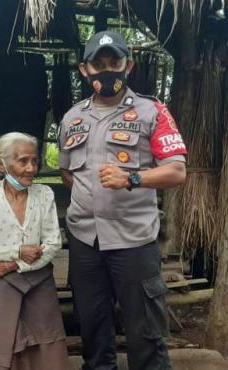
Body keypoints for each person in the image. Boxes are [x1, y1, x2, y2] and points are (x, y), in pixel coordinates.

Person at [58, 31, 188, 370]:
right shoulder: (72, 118)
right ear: (84, 70)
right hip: (85, 242)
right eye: (98, 64)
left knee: (145, 336)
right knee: (93, 332)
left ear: (127, 65)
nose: (106, 71)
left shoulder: (153, 112)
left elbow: (176, 172)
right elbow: (67, 174)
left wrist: (131, 178)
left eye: (113, 63)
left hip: (133, 241)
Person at [0, 132, 69, 370]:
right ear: (1, 164)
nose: (31, 168)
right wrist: (18, 251)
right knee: (3, 343)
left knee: (46, 340)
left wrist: (15, 264)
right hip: (2, 281)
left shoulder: (44, 194)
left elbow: (52, 243)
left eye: (34, 161)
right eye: (22, 161)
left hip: (38, 277)